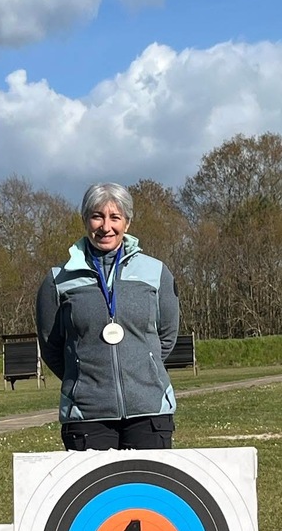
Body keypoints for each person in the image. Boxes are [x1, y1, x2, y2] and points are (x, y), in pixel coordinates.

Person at [36, 182, 179, 450]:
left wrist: (144, 368)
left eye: (115, 217)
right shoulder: (58, 280)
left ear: (127, 222)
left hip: (149, 414)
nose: (106, 226)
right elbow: (51, 345)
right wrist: (82, 381)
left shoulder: (156, 273)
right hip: (87, 417)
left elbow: (167, 337)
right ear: (85, 220)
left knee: (145, 493)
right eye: (97, 216)